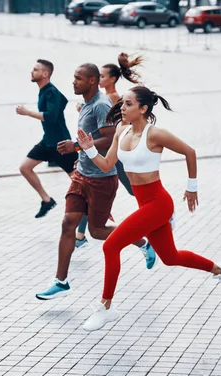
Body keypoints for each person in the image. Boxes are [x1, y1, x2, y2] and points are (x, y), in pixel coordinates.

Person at [77, 86, 221, 331]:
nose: (122, 107)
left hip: (159, 204)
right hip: (145, 204)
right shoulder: (121, 131)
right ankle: (220, 269)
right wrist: (88, 149)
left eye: (128, 104)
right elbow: (107, 164)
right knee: (170, 257)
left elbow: (189, 152)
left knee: (111, 246)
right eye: (122, 103)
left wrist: (192, 187)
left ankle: (105, 308)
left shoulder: (155, 135)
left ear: (143, 109)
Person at [35, 64, 157, 301]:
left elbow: (111, 138)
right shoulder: (87, 105)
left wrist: (76, 146)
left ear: (91, 81)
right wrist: (77, 153)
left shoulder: (100, 105)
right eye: (73, 77)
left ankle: (143, 242)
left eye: (78, 78)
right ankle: (61, 281)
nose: (73, 82)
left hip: (101, 179)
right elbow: (89, 137)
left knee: (98, 231)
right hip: (81, 174)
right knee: (68, 223)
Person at [75, 53, 145, 249]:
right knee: (86, 199)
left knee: (133, 189)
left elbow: (111, 130)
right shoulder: (98, 100)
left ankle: (158, 215)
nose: (101, 79)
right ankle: (80, 235)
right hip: (99, 157)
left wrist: (81, 147)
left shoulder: (109, 99)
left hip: (114, 153)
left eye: (103, 76)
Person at [16, 59, 78, 218]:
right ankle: (46, 200)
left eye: (35, 69)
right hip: (47, 141)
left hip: (61, 143)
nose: (32, 72)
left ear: (45, 74)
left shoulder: (51, 92)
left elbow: (50, 117)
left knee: (77, 179)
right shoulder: (45, 91)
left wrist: (27, 112)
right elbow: (62, 101)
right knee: (25, 167)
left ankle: (95, 207)